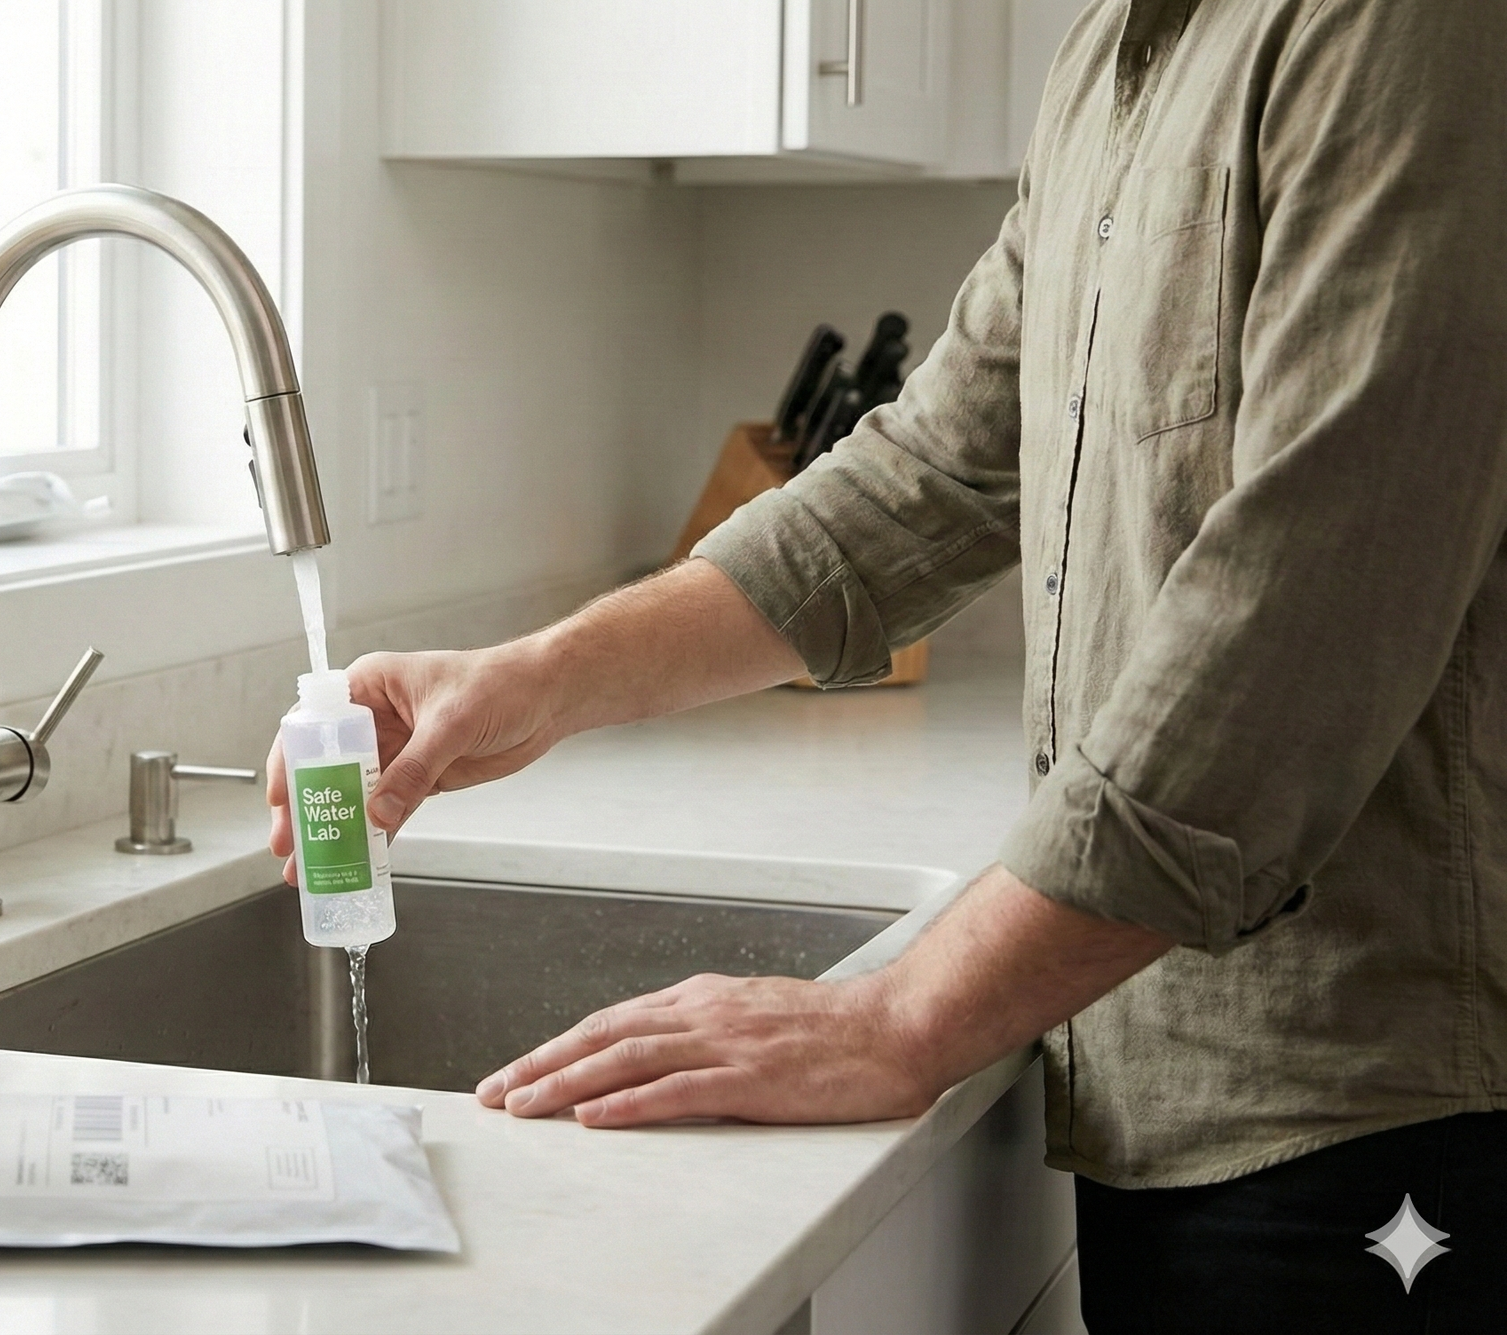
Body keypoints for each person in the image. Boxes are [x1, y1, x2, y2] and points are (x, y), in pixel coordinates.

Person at [268, 1, 1506, 1328]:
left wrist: (900, 1014)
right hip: (1154, 1056)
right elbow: (934, 470)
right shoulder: (1111, 54)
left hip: (1371, 1121)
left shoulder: (1405, 27)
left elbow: (1299, 631)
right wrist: (532, 676)